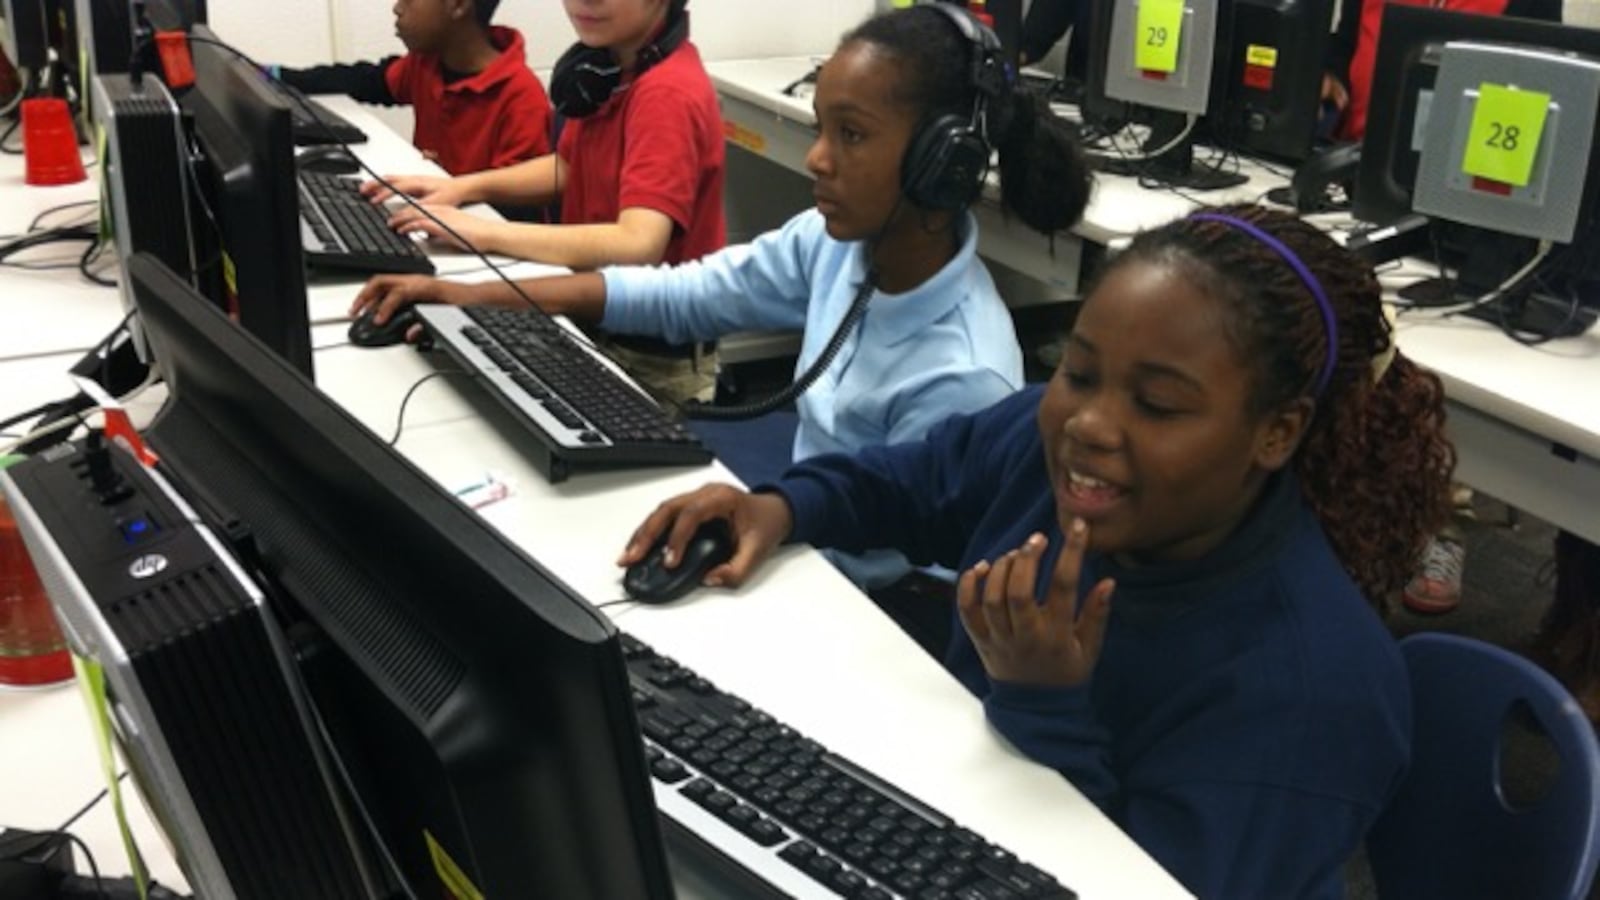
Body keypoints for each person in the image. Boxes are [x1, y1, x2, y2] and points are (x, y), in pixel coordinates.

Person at [617, 204, 1457, 898]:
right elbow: (906, 484)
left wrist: (1047, 704)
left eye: (1158, 404)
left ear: (1276, 432)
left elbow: (1128, 885)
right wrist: (780, 505)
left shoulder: (1310, 692)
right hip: (960, 823)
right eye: (1079, 373)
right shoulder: (1045, 445)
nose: (1089, 424)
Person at [351, 0, 1092, 554]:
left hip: (850, 594)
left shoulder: (962, 375)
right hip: (791, 531)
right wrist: (476, 297)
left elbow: (896, 559)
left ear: (945, 161)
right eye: (821, 128)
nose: (816, 159)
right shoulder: (834, 247)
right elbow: (681, 293)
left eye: (852, 135)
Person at [359, 0, 726, 399]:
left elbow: (638, 243)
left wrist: (485, 233)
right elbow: (569, 166)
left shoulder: (665, 93)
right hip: (597, 311)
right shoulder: (607, 69)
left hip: (647, 349)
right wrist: (464, 187)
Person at [270, 0, 551, 176]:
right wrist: (277, 76)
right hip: (436, 216)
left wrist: (442, 182)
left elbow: (518, 201)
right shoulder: (426, 65)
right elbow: (365, 80)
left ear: (457, 5)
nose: (397, 7)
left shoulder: (521, 96)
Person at [1323, 0, 1562, 141]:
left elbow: (1540, 82)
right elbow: (1348, 44)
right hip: (1348, 161)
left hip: (1461, 180)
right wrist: (1330, 76)